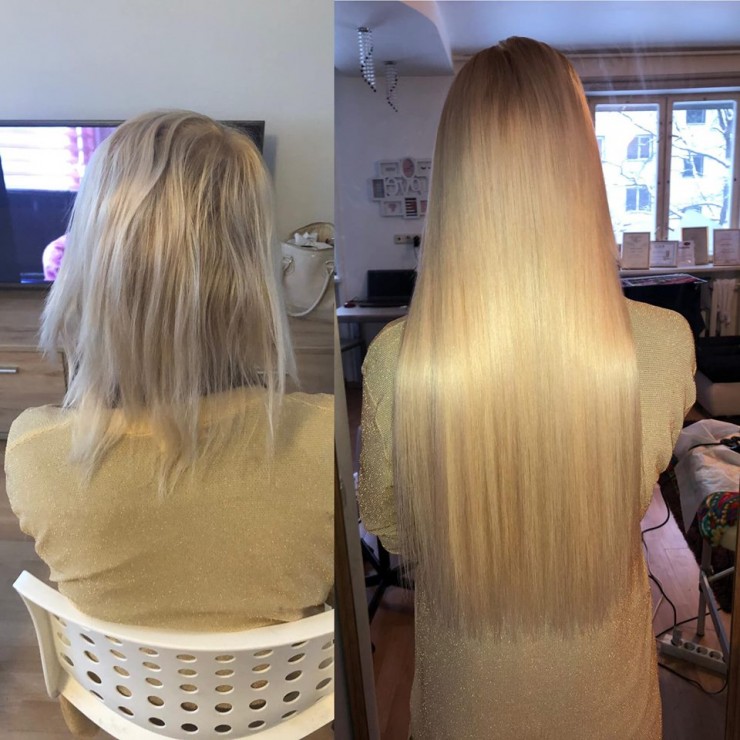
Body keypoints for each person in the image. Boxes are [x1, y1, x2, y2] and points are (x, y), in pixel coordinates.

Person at [358, 38, 695, 739]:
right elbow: (633, 495)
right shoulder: (664, 344)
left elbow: (392, 527)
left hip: (464, 706)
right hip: (607, 705)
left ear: (456, 177)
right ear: (581, 168)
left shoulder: (398, 359)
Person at [5, 111, 333, 736]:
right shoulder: (322, 440)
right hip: (279, 715)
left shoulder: (34, 449)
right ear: (251, 268)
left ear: (93, 262)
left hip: (121, 712)